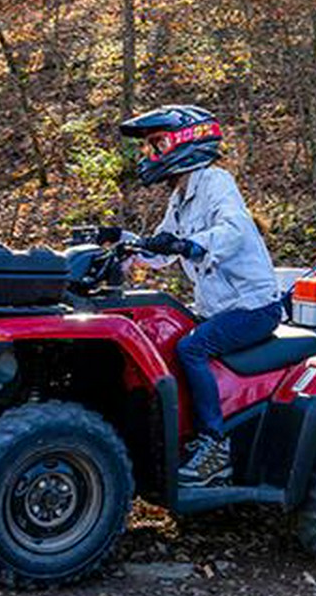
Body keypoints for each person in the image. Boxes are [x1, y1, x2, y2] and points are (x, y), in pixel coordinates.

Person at [119, 105, 282, 487]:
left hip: (253, 306)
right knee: (167, 339)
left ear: (186, 142)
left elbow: (234, 230)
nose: (150, 156)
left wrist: (190, 245)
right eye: (147, 149)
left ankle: (215, 447)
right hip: (216, 306)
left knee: (191, 349)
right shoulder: (181, 196)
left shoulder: (215, 182)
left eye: (156, 145)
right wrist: (129, 253)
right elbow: (163, 248)